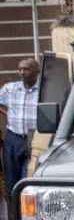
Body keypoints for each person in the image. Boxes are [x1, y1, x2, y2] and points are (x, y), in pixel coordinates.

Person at [0, 57, 39, 205]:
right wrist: (7, 114)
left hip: (33, 139)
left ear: (36, 71)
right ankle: (15, 216)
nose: (22, 72)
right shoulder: (10, 89)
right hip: (13, 139)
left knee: (28, 179)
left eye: (27, 69)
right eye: (20, 69)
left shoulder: (43, 90)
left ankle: (27, 214)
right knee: (12, 180)